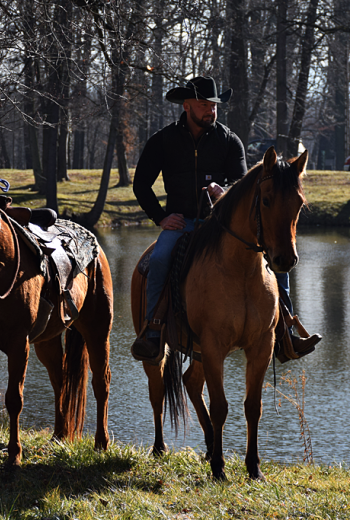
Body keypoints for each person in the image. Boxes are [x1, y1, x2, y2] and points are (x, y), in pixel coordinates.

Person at [130, 76, 321, 364]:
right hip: (182, 223)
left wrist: (226, 192)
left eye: (214, 106)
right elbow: (141, 184)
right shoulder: (163, 140)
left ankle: (286, 330)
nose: (211, 111)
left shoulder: (229, 141)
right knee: (158, 259)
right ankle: (153, 330)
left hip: (223, 227)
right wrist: (161, 217)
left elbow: (244, 188)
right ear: (187, 106)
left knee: (277, 257)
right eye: (204, 105)